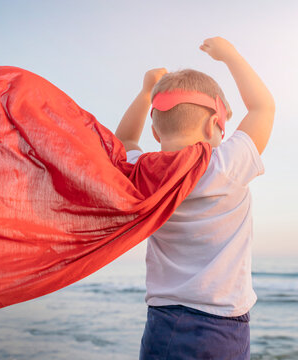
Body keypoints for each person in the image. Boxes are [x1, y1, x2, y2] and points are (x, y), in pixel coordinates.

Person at [115, 36, 275, 359]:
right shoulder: (226, 167)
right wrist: (230, 55)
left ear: (156, 134)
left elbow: (124, 139)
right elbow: (264, 107)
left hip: (160, 323)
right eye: (224, 128)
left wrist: (146, 91)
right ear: (214, 124)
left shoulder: (144, 173)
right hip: (221, 328)